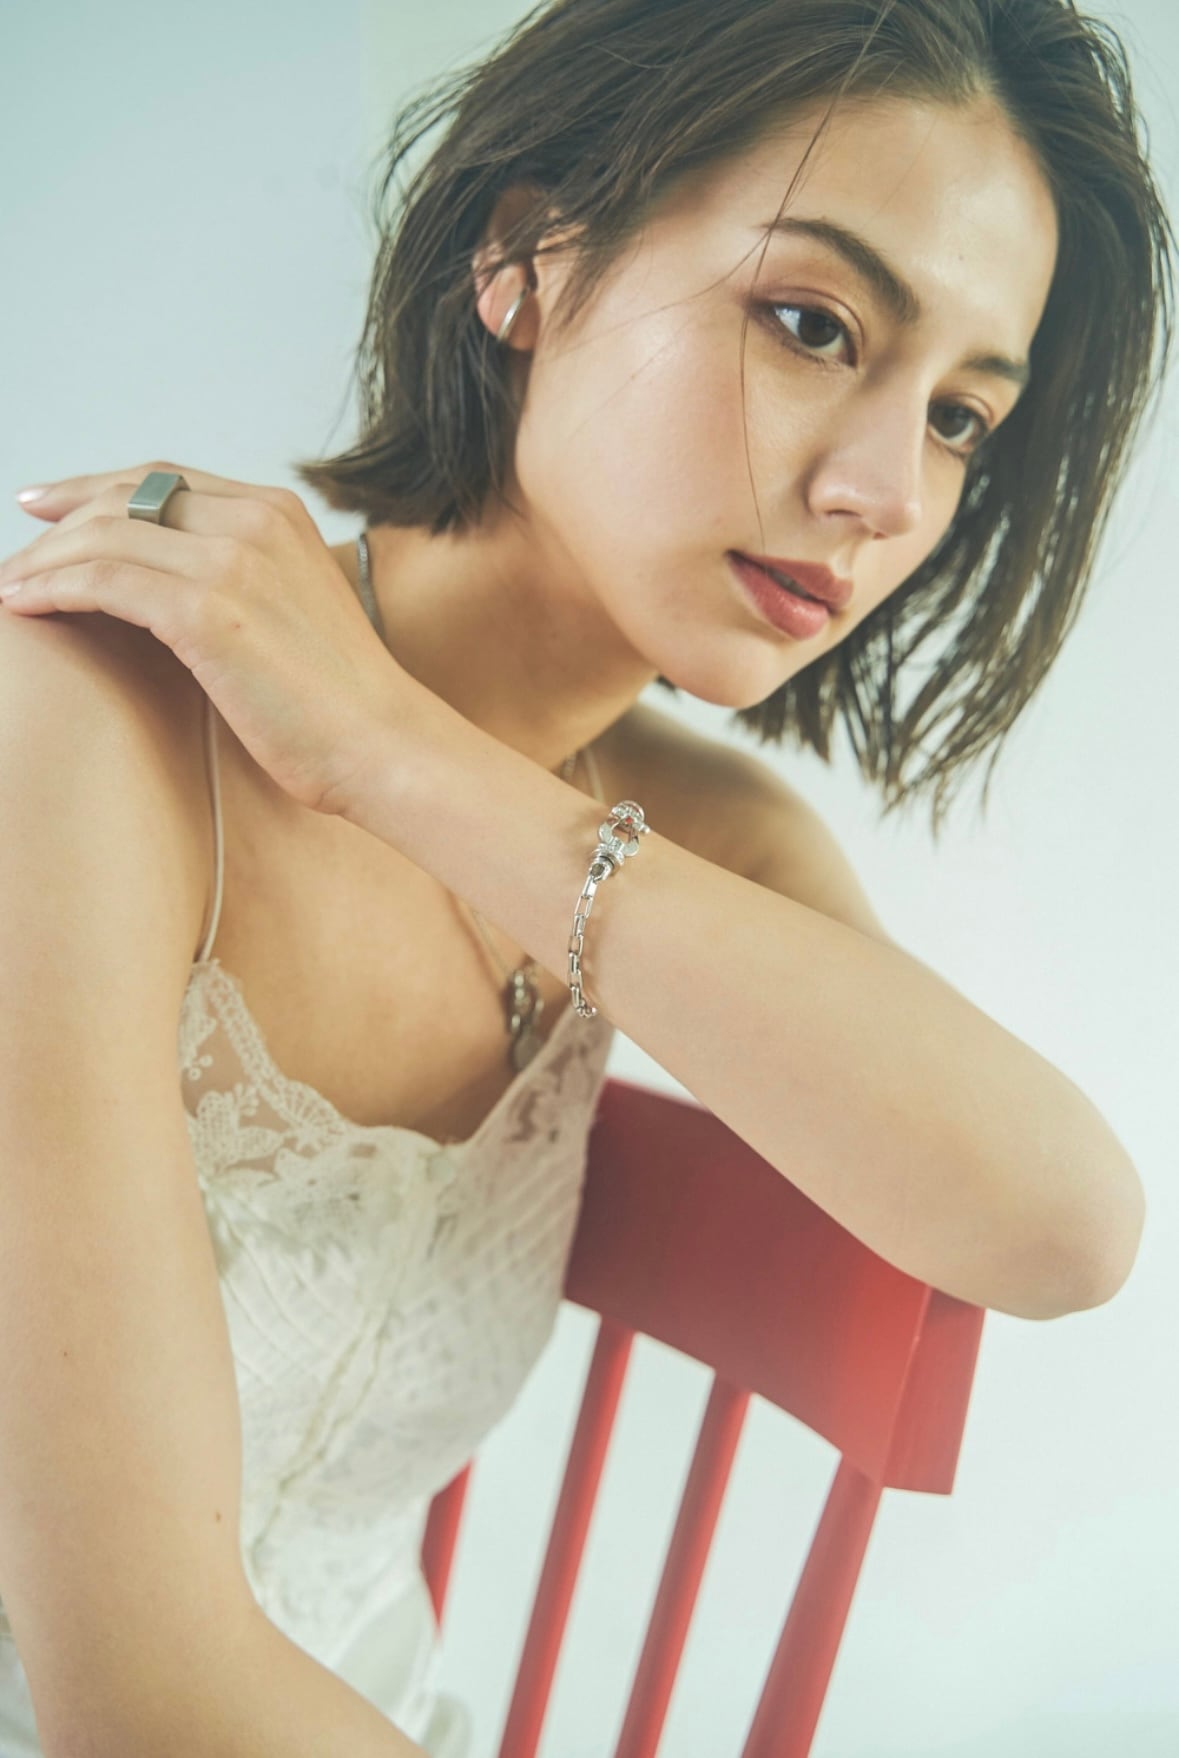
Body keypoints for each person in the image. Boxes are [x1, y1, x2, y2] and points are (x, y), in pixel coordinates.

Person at [0, 1, 1172, 1754]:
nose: (881, 491)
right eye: (812, 323)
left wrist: (392, 753)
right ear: (527, 259)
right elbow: (136, 1689)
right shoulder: (87, 717)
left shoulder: (707, 837)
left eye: (959, 418)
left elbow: (1063, 1226)